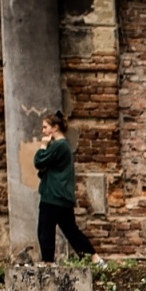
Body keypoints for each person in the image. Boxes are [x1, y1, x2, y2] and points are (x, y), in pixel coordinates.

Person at [32, 112, 101, 265]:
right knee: (71, 231)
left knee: (45, 230)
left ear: (55, 128)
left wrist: (43, 146)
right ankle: (94, 258)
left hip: (53, 196)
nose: (43, 131)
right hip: (62, 196)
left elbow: (39, 161)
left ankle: (47, 262)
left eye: (45, 127)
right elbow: (45, 168)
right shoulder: (63, 146)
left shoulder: (58, 145)